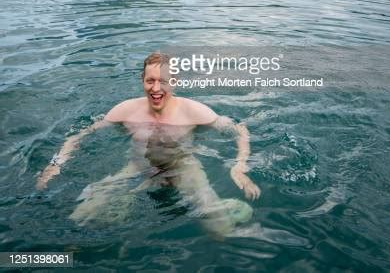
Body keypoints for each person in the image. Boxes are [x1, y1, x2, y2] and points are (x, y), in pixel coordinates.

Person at [36, 52, 261, 236]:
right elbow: (80, 134)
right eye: (150, 80)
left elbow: (239, 129)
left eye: (162, 81)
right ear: (142, 81)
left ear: (174, 82)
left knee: (219, 230)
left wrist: (239, 166)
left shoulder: (193, 111)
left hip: (185, 168)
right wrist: (56, 163)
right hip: (137, 168)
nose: (156, 88)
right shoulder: (126, 110)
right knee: (80, 217)